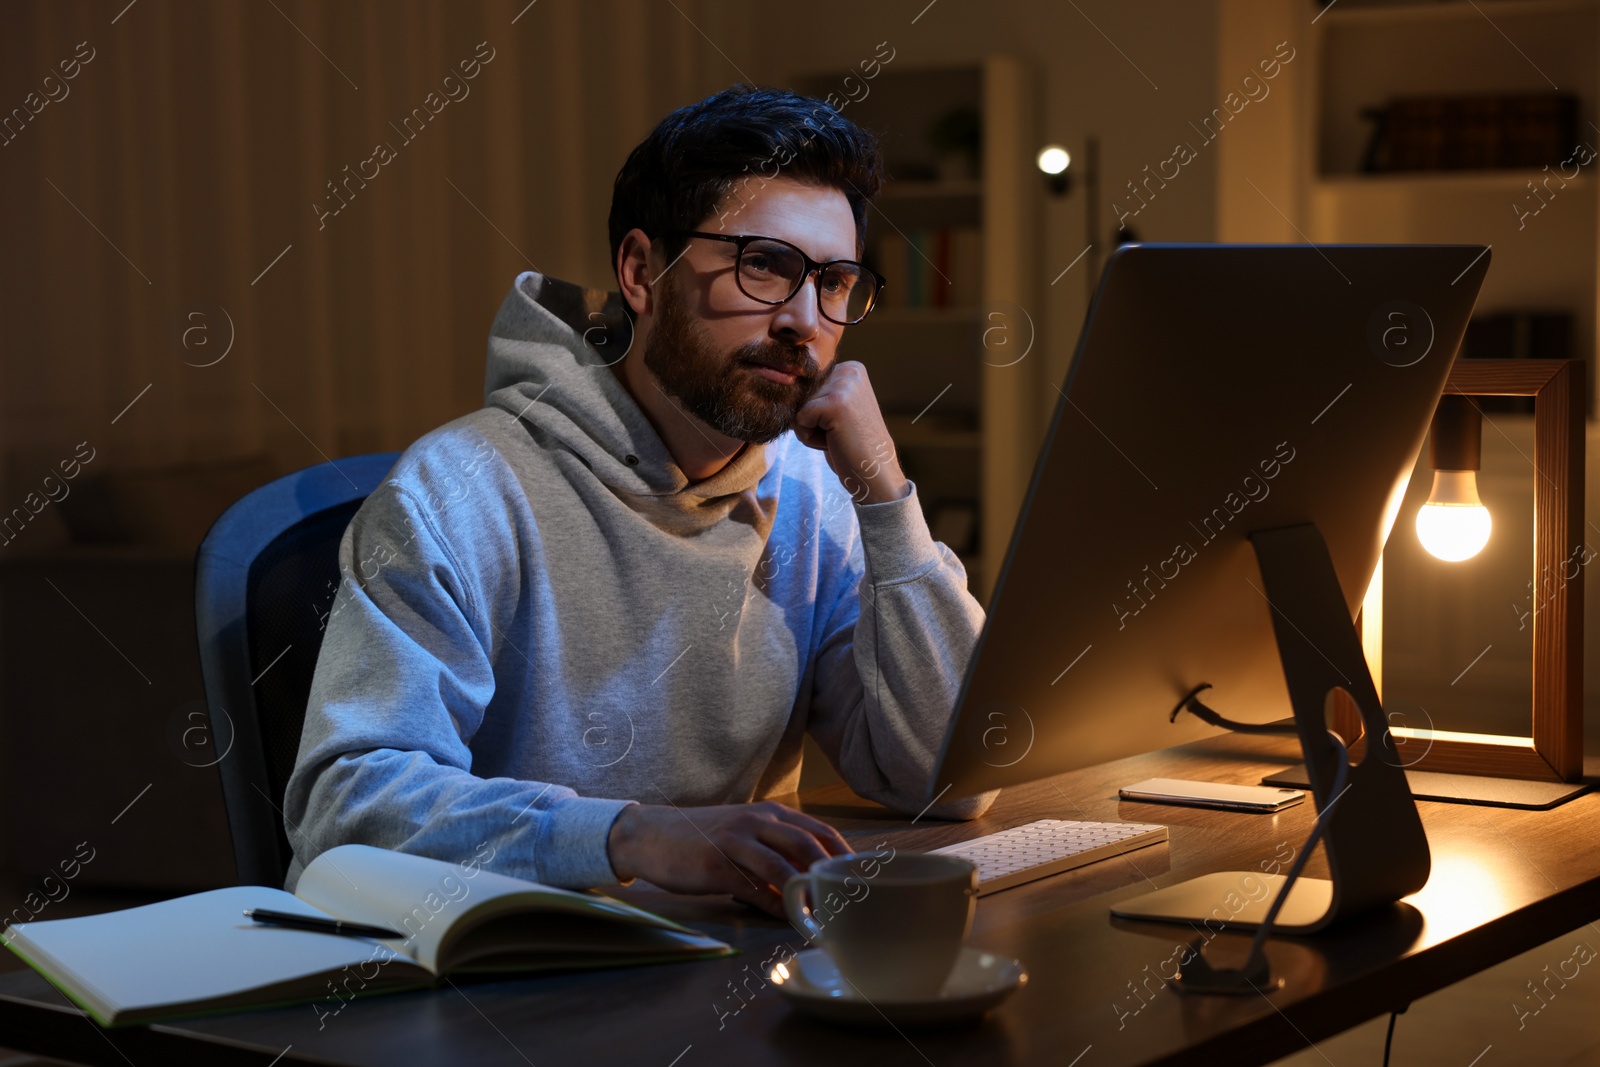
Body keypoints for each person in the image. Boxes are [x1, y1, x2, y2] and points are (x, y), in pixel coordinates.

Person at [282, 83, 996, 917]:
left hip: (734, 966)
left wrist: (885, 494)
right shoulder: (460, 490)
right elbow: (346, 808)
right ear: (639, 271)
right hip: (514, 991)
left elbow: (949, 779)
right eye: (763, 264)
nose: (806, 318)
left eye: (835, 282)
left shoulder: (813, 491)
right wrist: (626, 835)